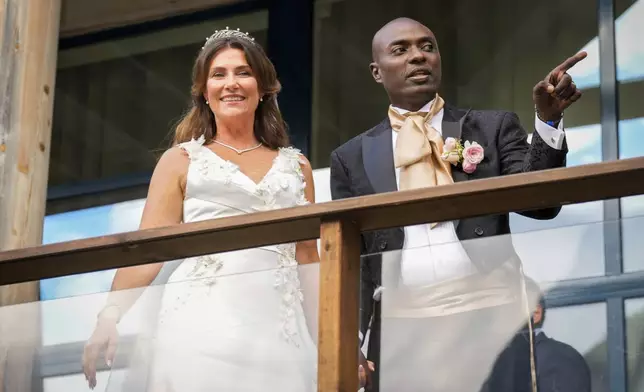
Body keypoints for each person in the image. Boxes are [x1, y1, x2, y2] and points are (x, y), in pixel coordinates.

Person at [329, 17, 586, 391]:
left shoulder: (490, 127)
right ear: (376, 72)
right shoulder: (351, 157)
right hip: (402, 330)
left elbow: (541, 204)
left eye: (427, 47)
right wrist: (349, 343)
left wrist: (548, 120)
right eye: (400, 50)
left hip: (491, 320)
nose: (418, 56)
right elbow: (355, 264)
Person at [82, 28, 320, 391]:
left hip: (280, 336)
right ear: (204, 91)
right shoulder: (180, 161)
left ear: (263, 87)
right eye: (218, 74)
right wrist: (109, 316)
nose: (231, 83)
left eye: (243, 72)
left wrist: (337, 340)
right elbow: (147, 251)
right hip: (199, 329)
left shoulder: (297, 166)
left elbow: (308, 260)